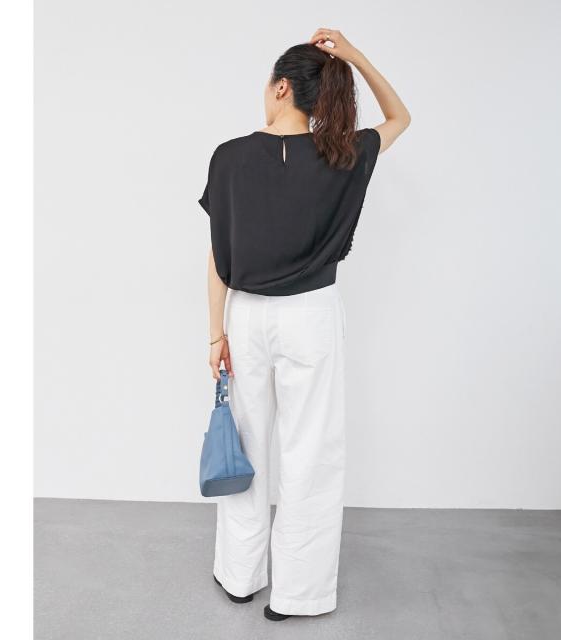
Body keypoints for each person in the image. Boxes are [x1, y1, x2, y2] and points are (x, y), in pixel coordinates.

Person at [199, 28, 410, 621]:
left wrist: (215, 335)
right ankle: (300, 593)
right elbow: (401, 117)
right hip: (311, 316)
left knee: (243, 447)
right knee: (311, 452)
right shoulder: (345, 154)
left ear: (282, 87)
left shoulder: (229, 157)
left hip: (246, 316)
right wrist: (354, 55)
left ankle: (240, 577)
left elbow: (217, 255)